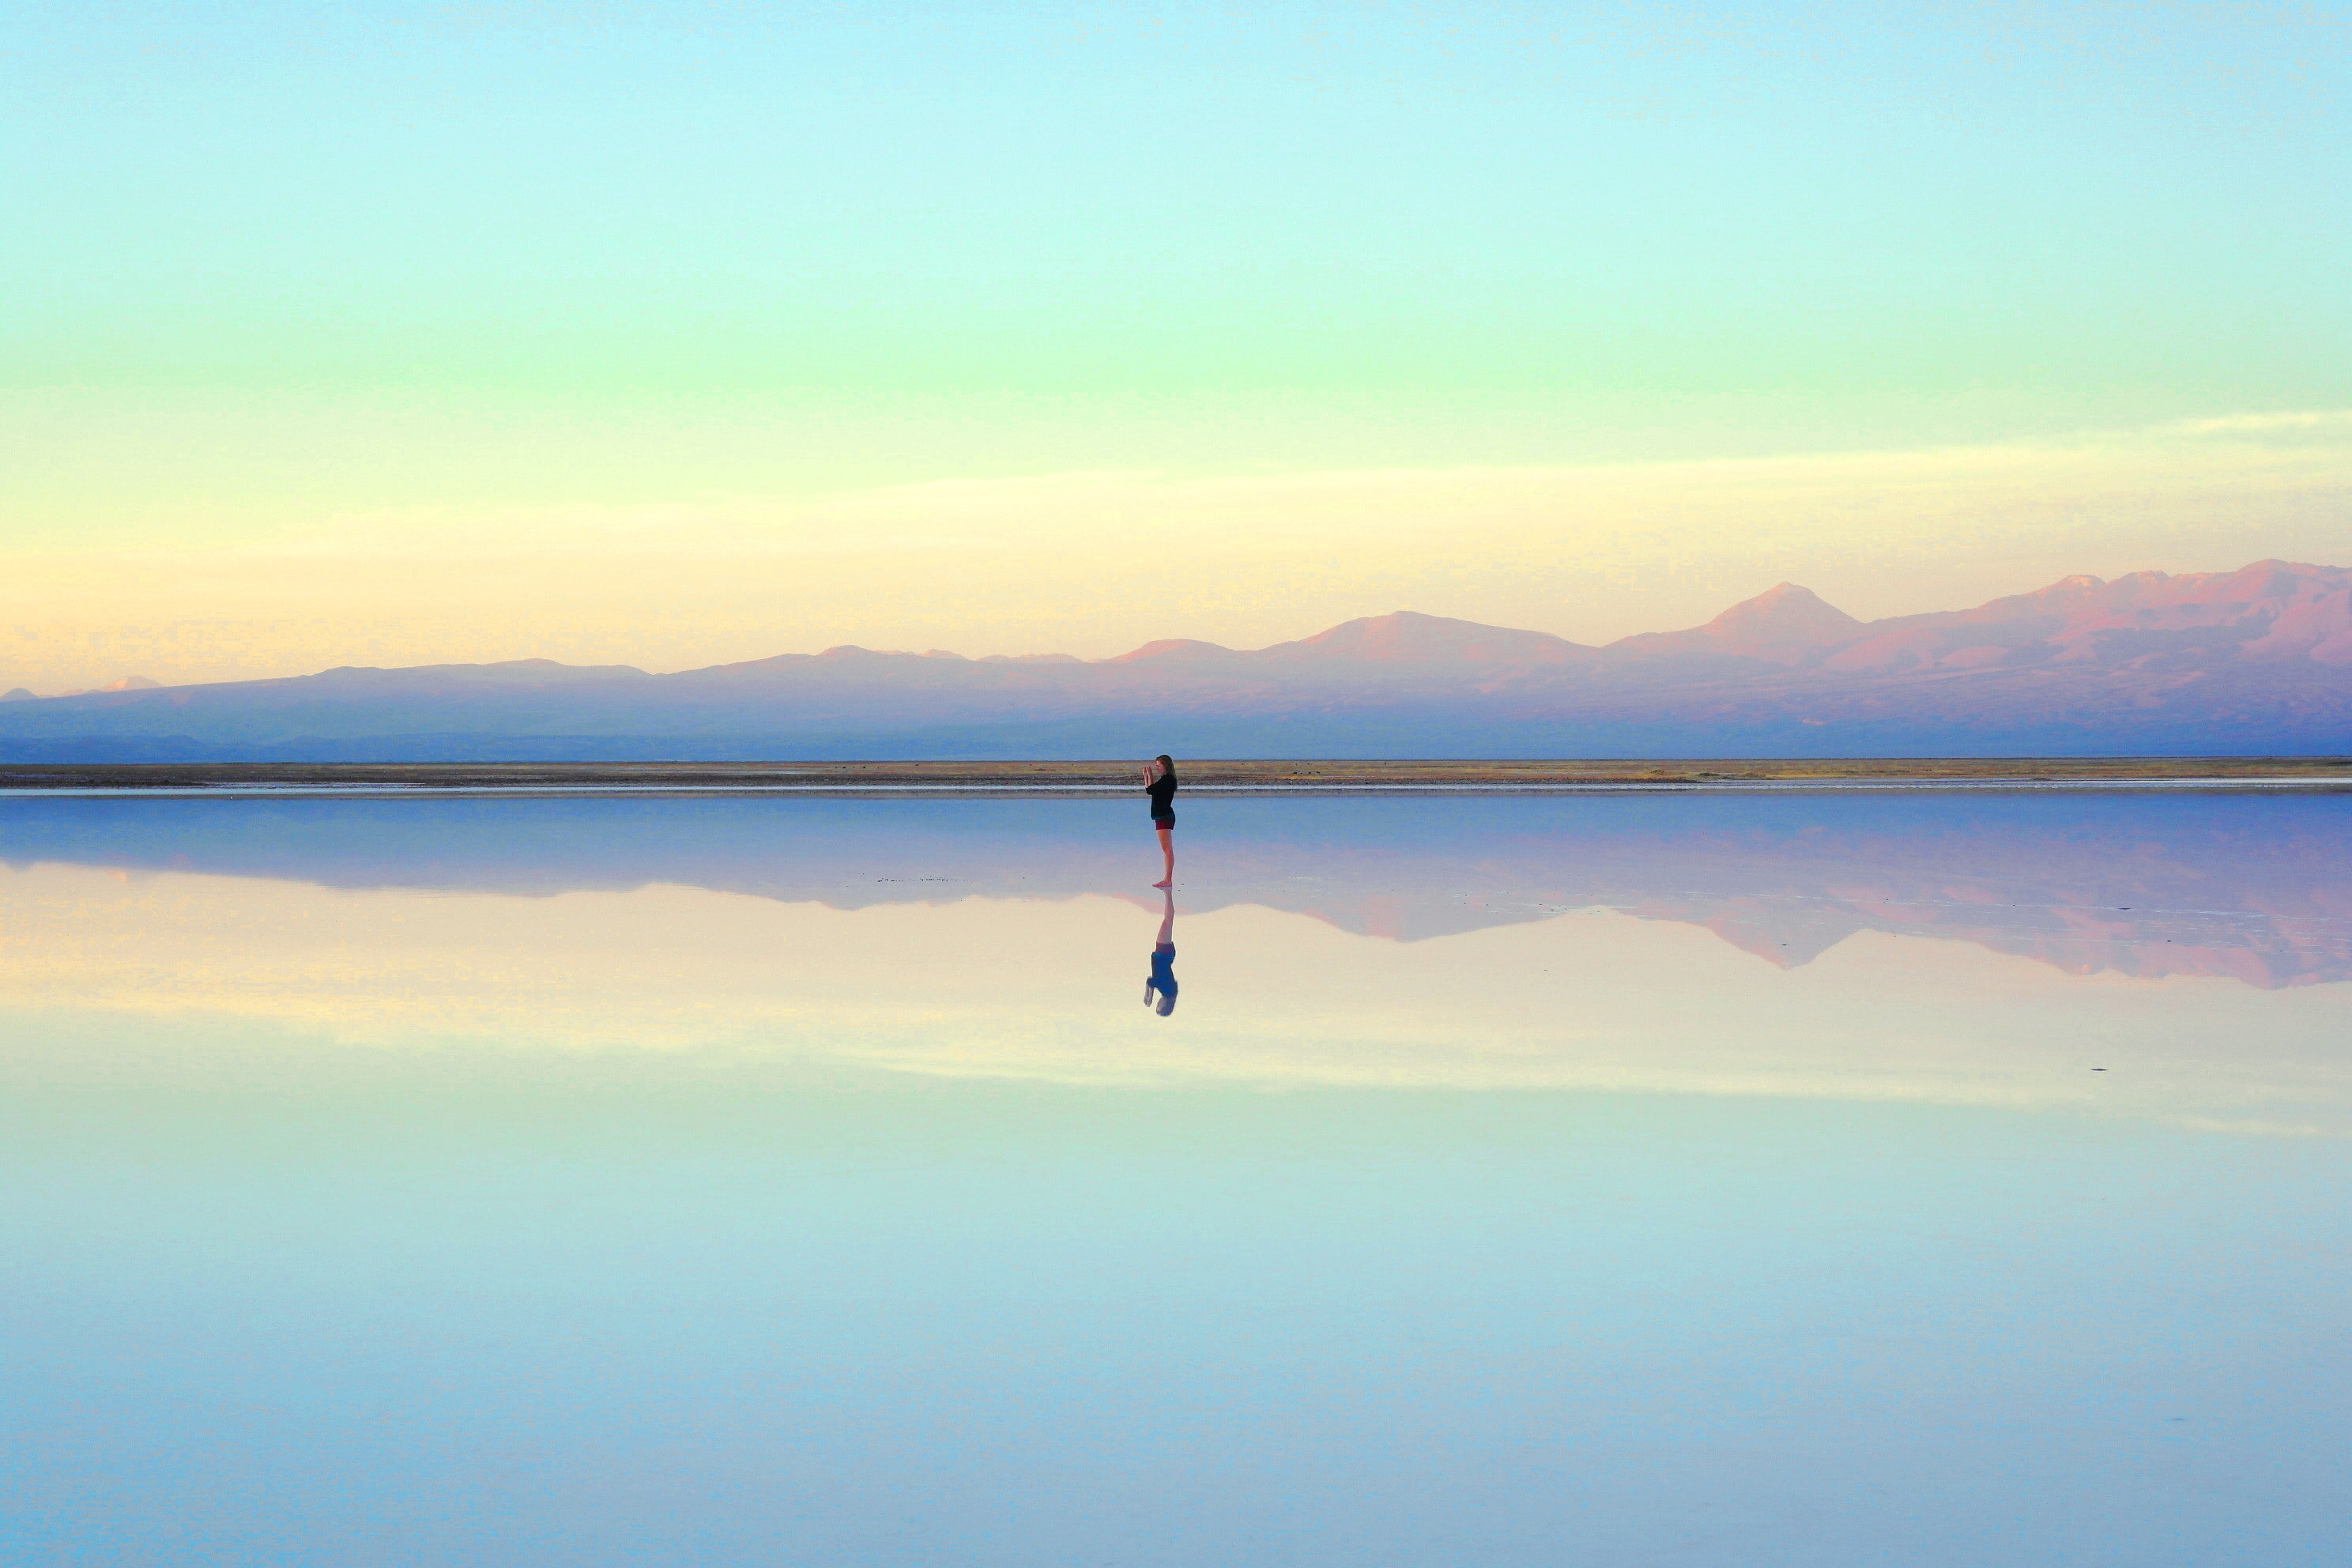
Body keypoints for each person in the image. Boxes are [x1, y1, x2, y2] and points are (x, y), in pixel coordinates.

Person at [1142, 753, 1178, 888]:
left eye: (1159, 766)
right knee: (1166, 849)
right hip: (1162, 816)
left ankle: (1167, 879)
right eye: (1156, 766)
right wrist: (1148, 776)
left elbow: (1150, 790)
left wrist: (1149, 775)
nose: (1157, 768)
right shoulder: (1166, 779)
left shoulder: (1168, 780)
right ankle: (1167, 879)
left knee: (1167, 849)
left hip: (1164, 816)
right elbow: (1151, 791)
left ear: (1165, 765)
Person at [1144, 884, 1178, 1016]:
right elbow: (1152, 982)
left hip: (1163, 954)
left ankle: (1167, 892)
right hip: (1164, 954)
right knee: (1167, 921)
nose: (1157, 1004)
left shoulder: (1167, 991)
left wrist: (1148, 996)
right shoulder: (1168, 991)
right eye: (1159, 1006)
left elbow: (1150, 981)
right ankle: (1168, 892)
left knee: (1167, 922)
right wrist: (1149, 997)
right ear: (1165, 1006)